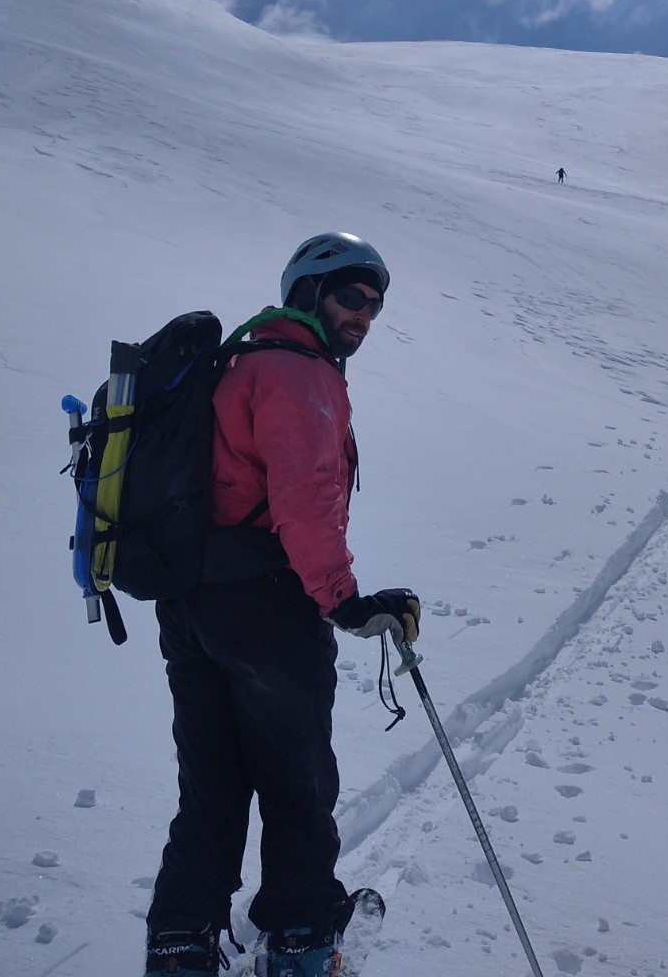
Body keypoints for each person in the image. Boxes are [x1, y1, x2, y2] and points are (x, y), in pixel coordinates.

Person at [145, 232, 421, 977]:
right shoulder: (299, 374)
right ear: (307, 293)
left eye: (375, 304)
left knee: (211, 783)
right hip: (267, 608)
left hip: (190, 603)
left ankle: (180, 944)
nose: (365, 315)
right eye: (350, 296)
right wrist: (344, 602)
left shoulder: (235, 363)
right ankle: (300, 942)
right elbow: (305, 503)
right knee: (298, 782)